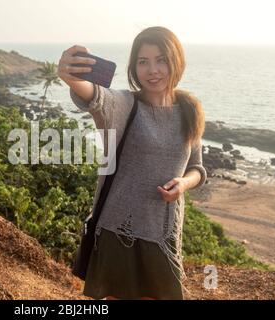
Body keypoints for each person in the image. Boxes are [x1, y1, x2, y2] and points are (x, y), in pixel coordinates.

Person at [57, 26, 207, 300]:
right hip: (119, 229)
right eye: (143, 62)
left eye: (161, 59)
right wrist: (70, 75)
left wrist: (183, 184)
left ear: (177, 61)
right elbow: (96, 96)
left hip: (163, 233)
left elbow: (197, 167)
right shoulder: (125, 104)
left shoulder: (189, 110)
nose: (153, 70)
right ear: (133, 67)